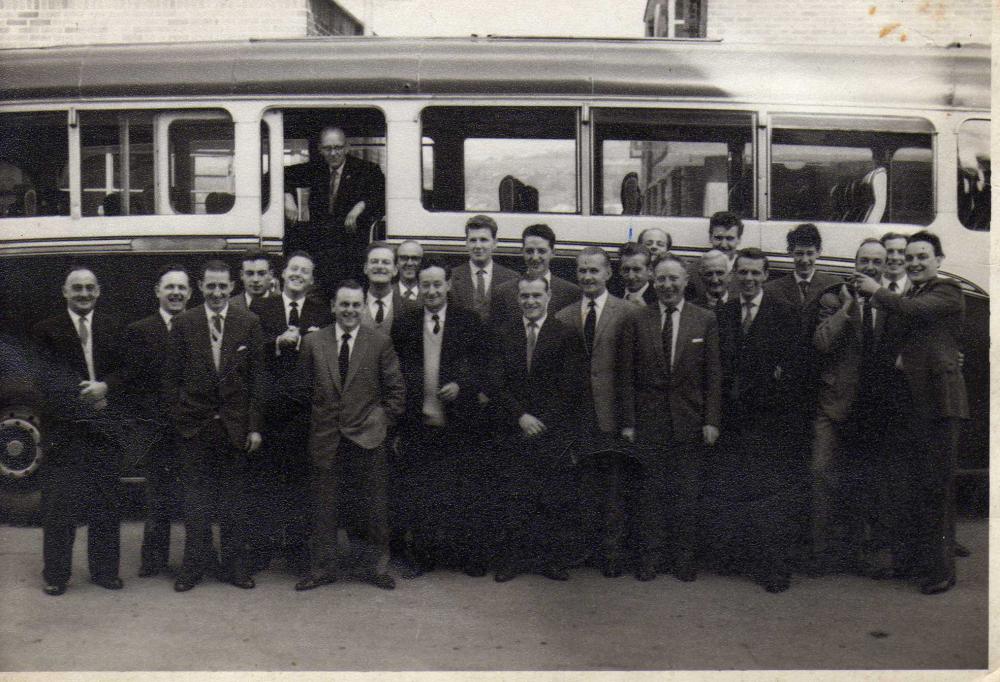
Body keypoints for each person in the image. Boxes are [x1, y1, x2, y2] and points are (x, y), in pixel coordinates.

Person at [854, 231, 968, 595]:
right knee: (910, 488)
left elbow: (913, 312)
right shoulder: (911, 294)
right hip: (912, 405)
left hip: (938, 405)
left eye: (923, 256)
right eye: (912, 257)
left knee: (936, 489)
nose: (915, 262)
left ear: (939, 260)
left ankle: (941, 572)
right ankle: (912, 562)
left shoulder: (947, 291)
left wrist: (875, 291)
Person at [293, 280, 405, 592]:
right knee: (323, 507)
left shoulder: (378, 342)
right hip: (326, 437)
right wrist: (316, 423)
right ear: (333, 307)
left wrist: (380, 421)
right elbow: (301, 391)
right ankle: (322, 569)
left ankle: (374, 568)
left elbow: (396, 391)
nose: (350, 311)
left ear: (363, 307)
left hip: (368, 437)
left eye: (356, 305)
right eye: (344, 304)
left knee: (373, 507)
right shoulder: (314, 342)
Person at [165, 260, 266, 592]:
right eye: (211, 286)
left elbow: (257, 381)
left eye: (223, 286)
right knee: (196, 503)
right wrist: (182, 420)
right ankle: (193, 567)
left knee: (234, 504)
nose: (218, 292)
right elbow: (171, 379)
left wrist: (253, 427)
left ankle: (235, 568)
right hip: (195, 428)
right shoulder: (183, 323)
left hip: (235, 429)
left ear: (232, 287)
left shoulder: (249, 323)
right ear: (201, 286)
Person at [707, 248, 802, 593]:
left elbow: (792, 369)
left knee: (771, 498)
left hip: (769, 421)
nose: (748, 279)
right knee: (737, 490)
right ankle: (741, 559)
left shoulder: (785, 314)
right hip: (733, 420)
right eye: (742, 273)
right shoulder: (724, 313)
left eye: (755, 274)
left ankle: (775, 568)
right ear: (735, 275)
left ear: (766, 276)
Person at [623, 254, 721, 583]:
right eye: (661, 279)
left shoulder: (704, 319)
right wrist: (629, 422)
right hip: (649, 421)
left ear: (685, 281)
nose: (667, 285)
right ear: (653, 280)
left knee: (686, 493)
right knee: (650, 493)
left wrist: (711, 420)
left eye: (673, 279)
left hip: (689, 421)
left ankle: (684, 559)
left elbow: (713, 376)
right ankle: (650, 557)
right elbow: (627, 376)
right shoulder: (638, 319)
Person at [31, 266, 126, 596]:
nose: (83, 294)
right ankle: (56, 575)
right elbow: (46, 379)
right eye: (77, 288)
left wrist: (106, 387)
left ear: (98, 291)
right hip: (65, 432)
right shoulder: (47, 330)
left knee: (106, 506)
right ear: (65, 292)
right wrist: (88, 401)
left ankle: (104, 573)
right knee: (60, 509)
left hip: (104, 433)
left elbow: (125, 371)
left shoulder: (114, 327)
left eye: (89, 288)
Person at [391, 259, 487, 577]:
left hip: (459, 423)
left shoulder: (468, 322)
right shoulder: (405, 324)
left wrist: (463, 384)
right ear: (418, 287)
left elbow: (483, 367)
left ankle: (462, 556)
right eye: (425, 285)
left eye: (437, 284)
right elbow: (395, 373)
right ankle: (423, 557)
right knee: (421, 492)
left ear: (448, 285)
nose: (431, 291)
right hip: (419, 422)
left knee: (460, 490)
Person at [491, 275, 587, 583]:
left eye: (536, 295)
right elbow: (496, 382)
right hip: (513, 427)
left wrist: (542, 420)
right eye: (525, 296)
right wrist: (520, 416)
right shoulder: (503, 334)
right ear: (517, 299)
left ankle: (550, 560)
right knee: (514, 495)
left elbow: (571, 385)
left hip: (551, 430)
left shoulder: (567, 334)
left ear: (548, 298)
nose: (530, 301)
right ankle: (512, 561)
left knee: (550, 497)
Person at [809, 239, 894, 576]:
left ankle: (861, 553)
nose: (870, 267)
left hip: (873, 408)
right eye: (864, 260)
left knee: (867, 480)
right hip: (834, 402)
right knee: (820, 474)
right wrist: (847, 308)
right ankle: (819, 553)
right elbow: (821, 341)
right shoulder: (833, 298)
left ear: (885, 267)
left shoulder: (891, 302)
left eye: (877, 261)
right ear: (854, 262)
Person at [248, 251, 332, 576]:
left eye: (305, 271)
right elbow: (254, 352)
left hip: (303, 411)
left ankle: (297, 550)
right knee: (266, 480)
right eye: (293, 269)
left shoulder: (321, 313)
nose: (298, 274)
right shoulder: (261, 308)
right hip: (270, 408)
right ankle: (263, 548)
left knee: (299, 482)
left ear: (311, 280)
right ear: (282, 275)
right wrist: (277, 343)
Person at [554, 247, 634, 578]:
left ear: (608, 274)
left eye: (594, 271)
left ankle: (612, 553)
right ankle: (583, 549)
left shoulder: (627, 312)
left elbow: (632, 371)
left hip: (611, 412)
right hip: (578, 413)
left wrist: (628, 420)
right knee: (582, 485)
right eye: (582, 271)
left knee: (613, 487)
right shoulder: (563, 315)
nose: (588, 277)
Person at [121, 264, 192, 579]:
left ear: (190, 293)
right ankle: (153, 560)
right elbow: (134, 384)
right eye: (170, 287)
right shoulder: (140, 331)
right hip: (156, 428)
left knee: (193, 496)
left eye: (181, 288)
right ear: (158, 292)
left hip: (192, 428)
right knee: (157, 497)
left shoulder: (198, 327)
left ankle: (195, 560)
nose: (175, 293)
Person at [284, 126, 386, 292]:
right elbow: (278, 176)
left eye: (338, 147)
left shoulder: (367, 170)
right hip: (321, 250)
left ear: (347, 147)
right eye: (327, 148)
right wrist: (287, 198)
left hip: (352, 250)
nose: (333, 153)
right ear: (320, 149)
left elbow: (380, 196)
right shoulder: (316, 169)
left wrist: (360, 207)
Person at [490, 224, 580, 324]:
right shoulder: (503, 292)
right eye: (529, 251)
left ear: (553, 253)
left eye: (541, 251)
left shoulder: (571, 293)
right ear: (522, 252)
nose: (535, 257)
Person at [449, 214, 518, 321]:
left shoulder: (512, 278)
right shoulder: (452, 277)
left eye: (483, 240)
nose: (478, 246)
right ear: (466, 243)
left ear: (495, 243)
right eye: (473, 240)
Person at [764, 224, 841, 313]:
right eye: (799, 253)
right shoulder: (773, 289)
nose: (805, 260)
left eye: (810, 253)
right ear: (790, 252)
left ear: (819, 252)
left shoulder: (834, 285)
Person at [362, 241, 420, 334]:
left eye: (386, 262)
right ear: (365, 268)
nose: (380, 266)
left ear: (395, 270)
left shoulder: (411, 310)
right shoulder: (354, 305)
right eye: (374, 261)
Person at [686, 211, 743, 302]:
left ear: (739, 239)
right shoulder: (693, 271)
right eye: (718, 238)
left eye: (729, 238)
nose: (724, 245)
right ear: (710, 237)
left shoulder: (746, 271)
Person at [615, 242, 657, 306]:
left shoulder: (659, 298)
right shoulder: (612, 294)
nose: (631, 276)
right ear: (620, 270)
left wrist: (646, 311)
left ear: (650, 270)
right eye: (626, 269)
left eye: (637, 269)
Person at [879, 232, 912, 296]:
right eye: (889, 251)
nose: (895, 257)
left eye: (901, 252)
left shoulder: (918, 288)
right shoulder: (872, 283)